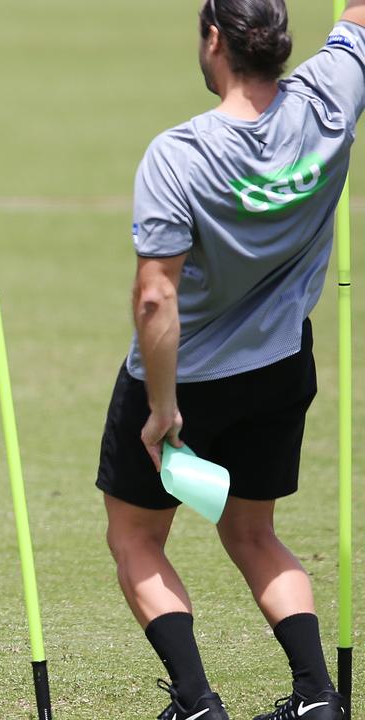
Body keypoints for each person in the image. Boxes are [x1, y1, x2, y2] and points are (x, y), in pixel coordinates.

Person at [97, 1, 365, 718]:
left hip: (181, 379)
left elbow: (156, 299)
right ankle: (317, 699)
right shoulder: (334, 95)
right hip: (280, 367)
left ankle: (196, 704)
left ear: (214, 39)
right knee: (253, 530)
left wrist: (160, 409)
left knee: (134, 536)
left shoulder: (180, 154)